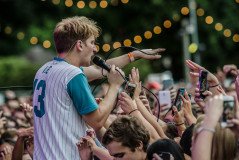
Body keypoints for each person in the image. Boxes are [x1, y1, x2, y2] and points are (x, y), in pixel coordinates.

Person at [33, 16, 164, 160]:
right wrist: (114, 86)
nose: (95, 48)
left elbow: (98, 69)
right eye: (92, 42)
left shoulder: (45, 69)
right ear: (79, 45)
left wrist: (134, 55)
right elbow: (96, 121)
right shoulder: (72, 74)